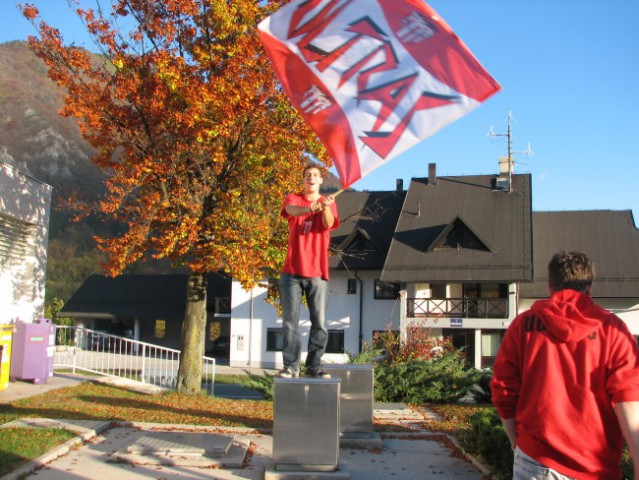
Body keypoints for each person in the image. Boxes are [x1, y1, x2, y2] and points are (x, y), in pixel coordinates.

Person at [491, 251, 639, 480]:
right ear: (589, 287)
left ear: (550, 286)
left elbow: (503, 389)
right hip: (596, 468)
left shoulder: (522, 326)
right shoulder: (613, 330)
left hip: (536, 461)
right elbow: (628, 400)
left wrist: (515, 442)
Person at [277, 163, 339, 378]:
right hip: (292, 271)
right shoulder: (293, 198)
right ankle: (291, 366)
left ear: (321, 180)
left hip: (318, 273)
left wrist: (326, 207)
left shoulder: (328, 202)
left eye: (315, 175)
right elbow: (290, 211)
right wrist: (311, 208)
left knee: (320, 322)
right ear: (303, 180)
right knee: (290, 322)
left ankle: (314, 366)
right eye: (307, 175)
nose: (311, 178)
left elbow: (329, 224)